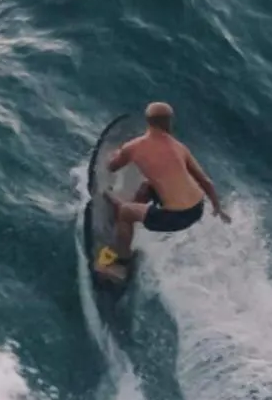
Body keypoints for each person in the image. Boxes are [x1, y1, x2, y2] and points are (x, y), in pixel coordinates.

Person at [94, 102, 229, 280]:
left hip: (173, 217)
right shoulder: (180, 148)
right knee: (147, 187)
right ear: (169, 122)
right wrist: (218, 208)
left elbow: (112, 167)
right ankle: (133, 215)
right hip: (197, 209)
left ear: (148, 121)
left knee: (125, 212)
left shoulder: (133, 147)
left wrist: (115, 156)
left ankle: (120, 263)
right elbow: (205, 181)